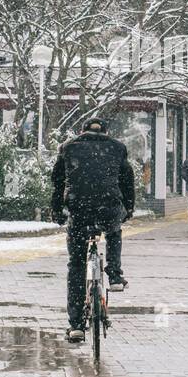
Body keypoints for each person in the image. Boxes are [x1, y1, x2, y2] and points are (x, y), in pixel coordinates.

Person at [50, 116, 136, 343]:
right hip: (108, 206)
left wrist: (57, 210)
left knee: (77, 264)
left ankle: (76, 325)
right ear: (105, 132)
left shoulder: (68, 148)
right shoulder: (117, 148)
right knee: (114, 230)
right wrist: (128, 208)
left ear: (82, 131)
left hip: (79, 208)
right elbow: (127, 180)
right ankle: (115, 274)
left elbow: (58, 181)